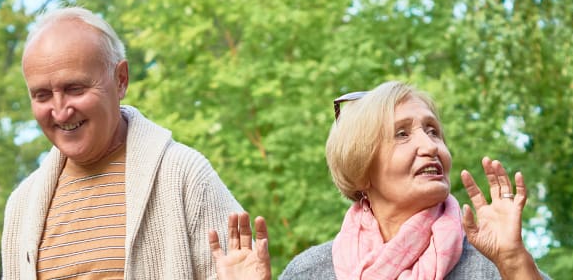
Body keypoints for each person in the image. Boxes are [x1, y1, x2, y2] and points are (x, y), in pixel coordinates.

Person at [208, 81, 549, 280]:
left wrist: (514, 261)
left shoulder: (491, 264)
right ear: (361, 164)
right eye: (402, 134)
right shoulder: (311, 271)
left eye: (433, 131)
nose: (430, 146)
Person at [1, 7, 246, 279]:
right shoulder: (21, 207)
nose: (60, 111)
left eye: (75, 89)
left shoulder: (184, 176)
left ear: (121, 80)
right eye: (42, 95)